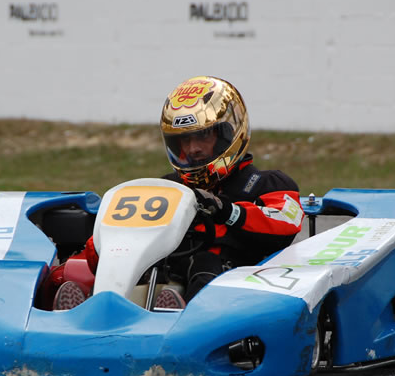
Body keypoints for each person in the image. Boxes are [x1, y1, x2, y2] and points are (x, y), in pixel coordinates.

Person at [52, 75, 304, 310]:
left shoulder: (265, 183)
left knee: (205, 264)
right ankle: (86, 312)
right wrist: (104, 246)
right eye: (184, 141)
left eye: (203, 137)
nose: (192, 149)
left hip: (235, 281)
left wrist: (226, 210)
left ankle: (180, 319)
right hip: (167, 270)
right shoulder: (165, 187)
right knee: (95, 269)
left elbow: (287, 220)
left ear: (229, 133)